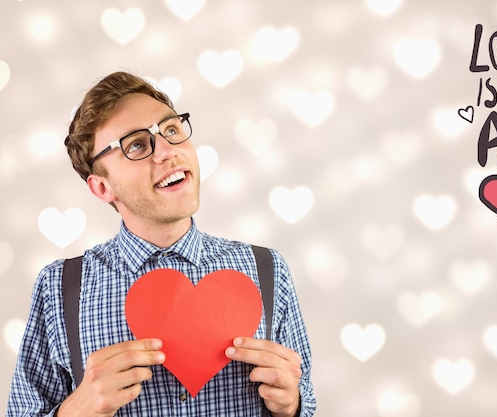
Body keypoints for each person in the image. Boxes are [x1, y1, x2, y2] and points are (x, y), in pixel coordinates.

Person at [7, 71, 316, 416]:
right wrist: (74, 411)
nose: (167, 151)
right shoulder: (59, 287)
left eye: (171, 130)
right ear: (102, 188)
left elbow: (306, 400)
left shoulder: (267, 269)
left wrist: (293, 406)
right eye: (137, 145)